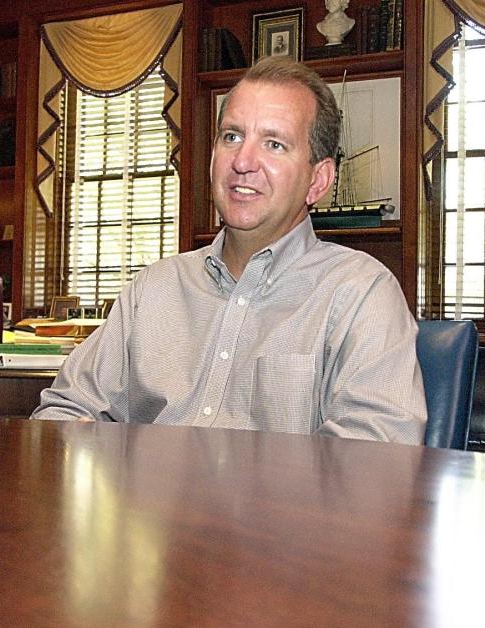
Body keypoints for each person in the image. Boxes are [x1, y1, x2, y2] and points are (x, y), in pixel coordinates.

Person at [32, 56, 427, 443]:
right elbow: (63, 412)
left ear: (318, 180)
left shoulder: (361, 293)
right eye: (232, 136)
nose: (242, 161)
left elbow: (375, 461)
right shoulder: (153, 290)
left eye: (274, 144)